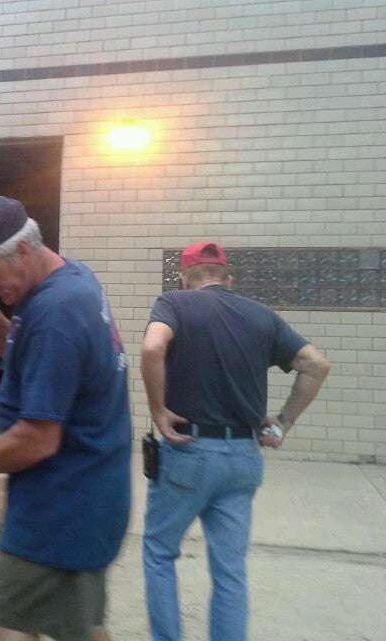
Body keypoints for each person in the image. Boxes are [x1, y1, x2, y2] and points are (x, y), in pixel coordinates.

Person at [0, 196, 130, 641]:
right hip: (85, 495)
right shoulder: (66, 280)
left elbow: (38, 440)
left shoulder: (56, 313)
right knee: (80, 626)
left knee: (3, 631)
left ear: (23, 250)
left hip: (63, 503)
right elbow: (24, 357)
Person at [140, 241, 331, 641]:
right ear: (228, 279)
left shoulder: (174, 303)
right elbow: (316, 364)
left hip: (189, 454)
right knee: (230, 571)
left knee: (160, 554)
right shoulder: (263, 316)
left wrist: (158, 410)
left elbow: (153, 346)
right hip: (244, 457)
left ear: (184, 278)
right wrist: (281, 423)